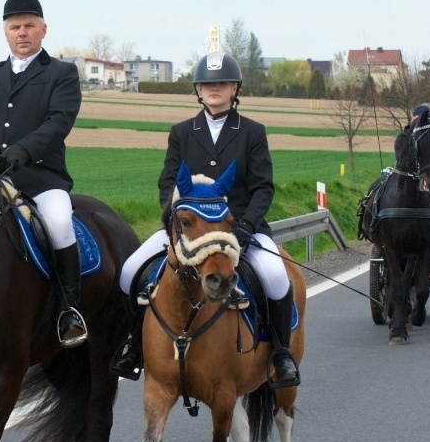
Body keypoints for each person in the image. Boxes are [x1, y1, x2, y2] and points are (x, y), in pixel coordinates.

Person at [110, 53, 301, 388]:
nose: (215, 88)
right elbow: (167, 182)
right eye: (208, 83)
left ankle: (281, 353)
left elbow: (262, 188)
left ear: (234, 88)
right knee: (129, 271)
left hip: (239, 229)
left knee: (275, 276)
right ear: (198, 89)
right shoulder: (182, 132)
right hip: (188, 230)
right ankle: (134, 345)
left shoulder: (252, 132)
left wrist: (245, 227)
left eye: (222, 83)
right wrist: (175, 221)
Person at [0, 0, 87, 347]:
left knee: (59, 222)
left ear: (43, 30)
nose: (22, 32)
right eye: (15, 27)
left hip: (41, 178)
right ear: (5, 32)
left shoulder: (61, 73)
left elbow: (59, 121)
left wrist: (24, 150)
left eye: (29, 25)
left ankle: (69, 310)